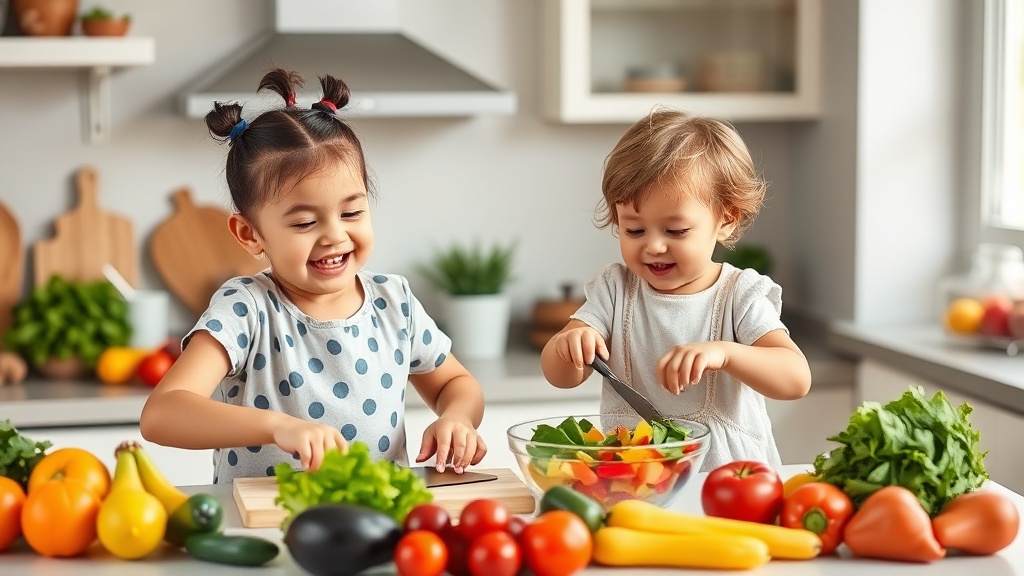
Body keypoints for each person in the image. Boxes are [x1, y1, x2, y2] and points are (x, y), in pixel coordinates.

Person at [140, 69, 487, 484]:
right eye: (305, 223)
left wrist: (457, 419)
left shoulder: (393, 300)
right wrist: (275, 427)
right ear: (250, 234)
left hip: (378, 522)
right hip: (267, 527)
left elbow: (456, 383)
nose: (335, 236)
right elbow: (162, 414)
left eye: (352, 212)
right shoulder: (246, 308)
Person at [540, 109, 811, 471]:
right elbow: (562, 377)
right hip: (636, 482)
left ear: (726, 220)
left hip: (731, 486)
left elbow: (795, 379)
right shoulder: (615, 290)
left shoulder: (738, 295)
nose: (652, 246)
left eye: (676, 231)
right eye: (634, 230)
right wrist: (567, 347)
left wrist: (725, 354)